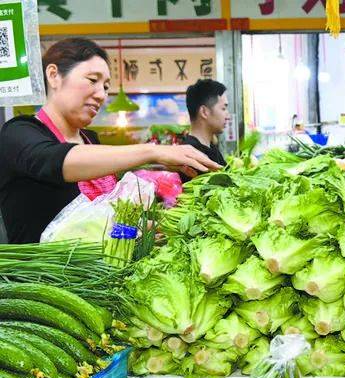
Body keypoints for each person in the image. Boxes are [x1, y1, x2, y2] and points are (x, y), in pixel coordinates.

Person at [0, 38, 220, 244]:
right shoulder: (19, 132)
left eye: (105, 87)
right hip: (42, 280)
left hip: (98, 279)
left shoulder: (91, 141)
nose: (101, 95)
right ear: (54, 75)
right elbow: (52, 161)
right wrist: (152, 152)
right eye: (92, 80)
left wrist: (149, 230)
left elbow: (103, 226)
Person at [180, 79, 228, 181]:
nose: (227, 115)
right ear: (204, 112)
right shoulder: (190, 154)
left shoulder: (211, 148)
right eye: (223, 108)